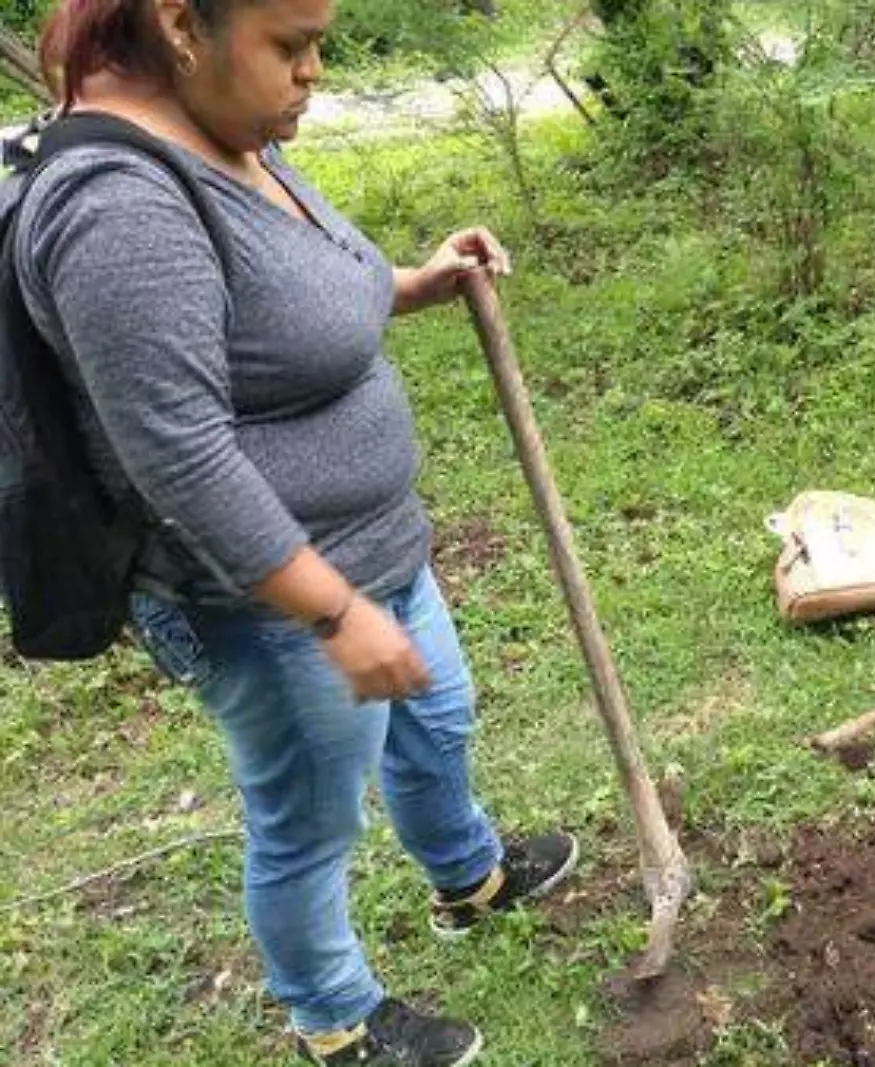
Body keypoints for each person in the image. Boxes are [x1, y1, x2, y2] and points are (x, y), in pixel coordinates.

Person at [19, 1, 576, 1063]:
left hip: (377, 553)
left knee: (438, 718)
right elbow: (177, 450)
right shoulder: (119, 209)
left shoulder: (228, 137)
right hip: (268, 601)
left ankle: (469, 872)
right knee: (311, 819)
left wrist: (414, 281)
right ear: (184, 25)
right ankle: (336, 1014)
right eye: (290, 44)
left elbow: (283, 312)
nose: (315, 71)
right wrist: (330, 611)